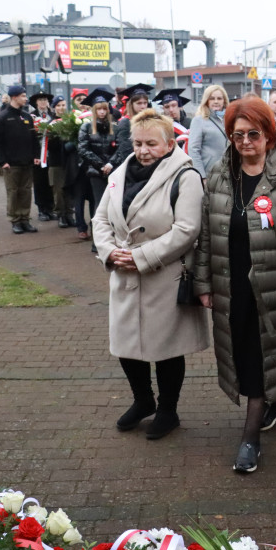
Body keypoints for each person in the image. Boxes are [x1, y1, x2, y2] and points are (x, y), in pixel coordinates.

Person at [195, 95, 276, 473]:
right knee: (248, 351)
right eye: (238, 136)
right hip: (231, 283)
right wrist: (203, 282)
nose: (246, 142)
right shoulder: (220, 175)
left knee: (256, 356)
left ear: (269, 135)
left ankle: (250, 438)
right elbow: (206, 234)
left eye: (254, 134)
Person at [92, 108, 209, 441]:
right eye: (138, 143)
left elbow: (187, 230)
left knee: (167, 349)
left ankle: (168, 410)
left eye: (151, 144)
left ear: (170, 143)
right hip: (124, 275)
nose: (143, 150)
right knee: (127, 344)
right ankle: (143, 400)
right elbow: (100, 219)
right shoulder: (119, 173)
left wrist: (141, 256)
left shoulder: (186, 177)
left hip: (163, 275)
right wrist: (109, 251)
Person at [0, 85, 40, 235]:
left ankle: (25, 219)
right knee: (13, 192)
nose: (26, 99)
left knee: (26, 191)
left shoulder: (26, 117)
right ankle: (15, 220)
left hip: (27, 162)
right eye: (23, 96)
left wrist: (36, 156)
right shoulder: (2, 117)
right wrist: (2, 161)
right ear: (14, 97)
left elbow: (33, 139)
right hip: (11, 164)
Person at [77, 88, 120, 249]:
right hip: (95, 172)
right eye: (99, 109)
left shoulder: (114, 128)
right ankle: (98, 241)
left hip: (112, 171)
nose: (102, 112)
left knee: (113, 205)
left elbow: (119, 149)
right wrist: (100, 165)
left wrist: (110, 164)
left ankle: (112, 238)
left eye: (104, 109)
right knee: (98, 206)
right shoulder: (86, 128)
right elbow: (83, 149)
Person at [188, 85, 230, 181]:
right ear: (207, 101)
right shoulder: (199, 120)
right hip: (209, 174)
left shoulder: (229, 120)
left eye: (219, 98)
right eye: (212, 98)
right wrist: (202, 176)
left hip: (228, 174)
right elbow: (193, 150)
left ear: (224, 101)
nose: (216, 101)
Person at [46, 96, 75, 228]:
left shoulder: (71, 121)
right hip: (56, 161)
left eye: (63, 105)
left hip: (68, 160)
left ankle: (70, 214)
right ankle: (61, 215)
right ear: (54, 108)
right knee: (58, 190)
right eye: (58, 105)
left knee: (69, 188)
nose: (61, 108)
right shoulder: (51, 124)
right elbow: (49, 146)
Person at [112, 84, 153, 169]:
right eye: (139, 103)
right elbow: (125, 151)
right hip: (133, 167)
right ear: (131, 104)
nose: (143, 106)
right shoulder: (125, 123)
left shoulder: (149, 121)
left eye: (145, 103)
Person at [29, 91, 55, 221]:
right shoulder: (31, 117)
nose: (43, 102)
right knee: (39, 183)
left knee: (50, 182)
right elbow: (29, 137)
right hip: (38, 155)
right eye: (40, 100)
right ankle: (41, 210)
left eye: (45, 99)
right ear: (36, 102)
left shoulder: (53, 115)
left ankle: (51, 208)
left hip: (51, 154)